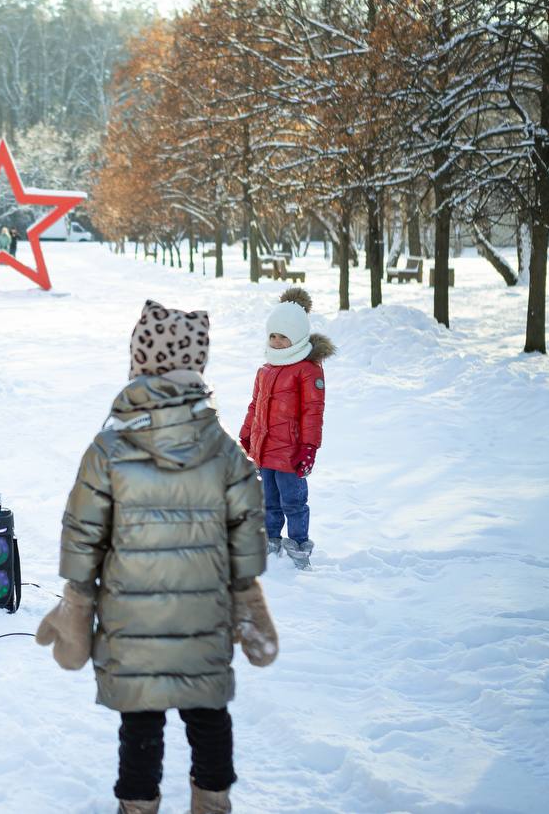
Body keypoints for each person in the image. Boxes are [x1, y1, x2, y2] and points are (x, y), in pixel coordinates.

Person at [35, 301, 277, 814]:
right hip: (204, 616)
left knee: (140, 721)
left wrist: (77, 596)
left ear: (138, 364)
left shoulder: (109, 447)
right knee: (209, 714)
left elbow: (83, 531)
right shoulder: (223, 448)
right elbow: (246, 524)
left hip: (132, 617)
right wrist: (247, 590)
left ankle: (137, 806)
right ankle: (212, 802)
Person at [238, 287, 335, 570]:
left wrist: (308, 448)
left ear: (298, 338)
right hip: (265, 449)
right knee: (268, 500)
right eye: (273, 336)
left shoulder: (308, 370)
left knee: (293, 501)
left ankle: (299, 546)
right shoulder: (266, 369)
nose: (278, 342)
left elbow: (312, 413)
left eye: (284, 336)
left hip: (291, 453)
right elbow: (255, 405)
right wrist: (247, 434)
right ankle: (270, 541)